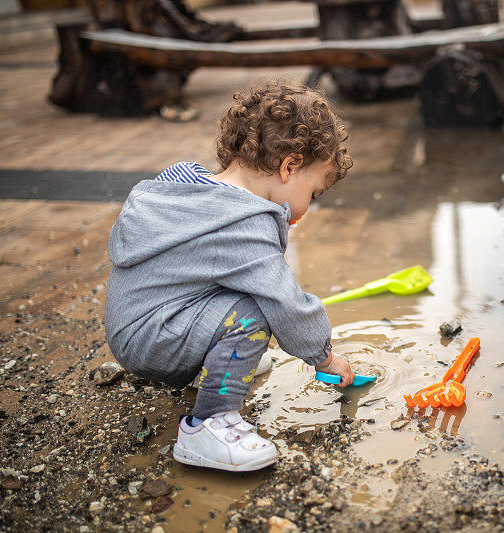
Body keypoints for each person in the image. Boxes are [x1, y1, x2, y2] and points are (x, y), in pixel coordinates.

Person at [104, 81, 356, 472]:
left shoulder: (187, 185)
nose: (310, 204)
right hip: (153, 341)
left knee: (242, 300)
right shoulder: (243, 223)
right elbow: (285, 300)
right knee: (254, 311)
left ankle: (219, 363)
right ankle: (207, 426)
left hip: (133, 322)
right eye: (315, 190)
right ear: (289, 167)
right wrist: (323, 355)